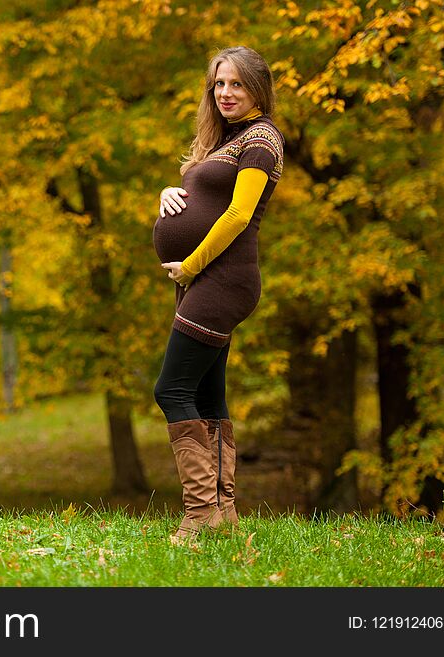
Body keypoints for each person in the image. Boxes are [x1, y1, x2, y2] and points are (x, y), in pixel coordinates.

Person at [152, 46, 284, 544]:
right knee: (207, 394)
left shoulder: (262, 140)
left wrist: (189, 265)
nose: (225, 93)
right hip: (206, 280)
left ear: (257, 88)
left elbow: (238, 215)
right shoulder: (227, 139)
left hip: (222, 280)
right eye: (219, 84)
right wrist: (171, 192)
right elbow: (208, 197)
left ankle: (198, 514)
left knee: (171, 390)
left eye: (237, 84)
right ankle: (223, 514)